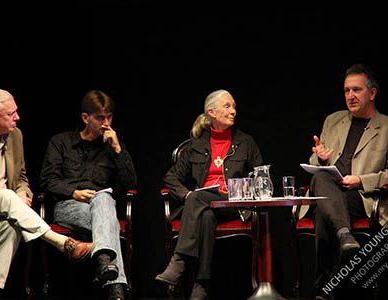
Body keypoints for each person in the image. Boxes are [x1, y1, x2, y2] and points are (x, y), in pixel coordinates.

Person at [0, 88, 93, 300]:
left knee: (12, 225)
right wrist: (11, 198)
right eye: (10, 114)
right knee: (6, 197)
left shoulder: (15, 136)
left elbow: (21, 177)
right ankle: (64, 244)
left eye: (16, 111)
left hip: (2, 208)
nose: (17, 117)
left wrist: (22, 193)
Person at [308, 64, 388, 297]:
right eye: (346, 91)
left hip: (362, 197)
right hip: (331, 190)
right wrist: (321, 158)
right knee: (323, 182)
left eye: (356, 90)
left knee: (323, 210)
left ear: (372, 93)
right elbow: (315, 159)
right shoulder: (333, 120)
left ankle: (325, 288)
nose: (350, 96)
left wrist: (360, 180)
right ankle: (344, 235)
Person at [155, 89, 263, 300]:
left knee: (196, 199)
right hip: (206, 205)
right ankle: (201, 285)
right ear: (211, 112)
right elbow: (171, 177)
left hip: (234, 204)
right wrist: (185, 194)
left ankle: (179, 260)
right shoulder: (197, 145)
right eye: (227, 106)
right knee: (204, 214)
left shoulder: (245, 142)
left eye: (233, 106)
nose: (233, 111)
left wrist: (245, 190)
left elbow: (261, 177)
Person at [40, 90, 137, 300]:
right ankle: (116, 285)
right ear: (86, 118)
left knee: (103, 198)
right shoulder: (61, 142)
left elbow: (130, 184)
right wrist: (74, 192)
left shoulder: (112, 146)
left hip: (101, 206)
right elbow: (47, 181)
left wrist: (118, 149)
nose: (106, 123)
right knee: (108, 216)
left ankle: (105, 266)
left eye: (109, 117)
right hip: (68, 206)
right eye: (100, 117)